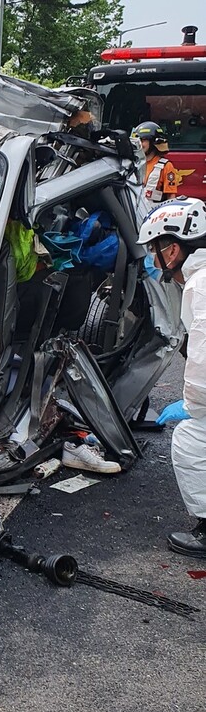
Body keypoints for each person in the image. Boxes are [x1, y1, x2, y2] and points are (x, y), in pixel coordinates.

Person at [137, 197, 206, 553]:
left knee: (192, 440)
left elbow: (203, 362)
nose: (152, 257)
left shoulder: (200, 286)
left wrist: (195, 405)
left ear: (174, 249)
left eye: (154, 248)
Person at [131, 122, 180, 203]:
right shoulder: (133, 164)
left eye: (143, 140)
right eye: (137, 140)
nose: (139, 144)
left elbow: (171, 197)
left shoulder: (166, 166)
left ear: (154, 143)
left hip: (155, 212)